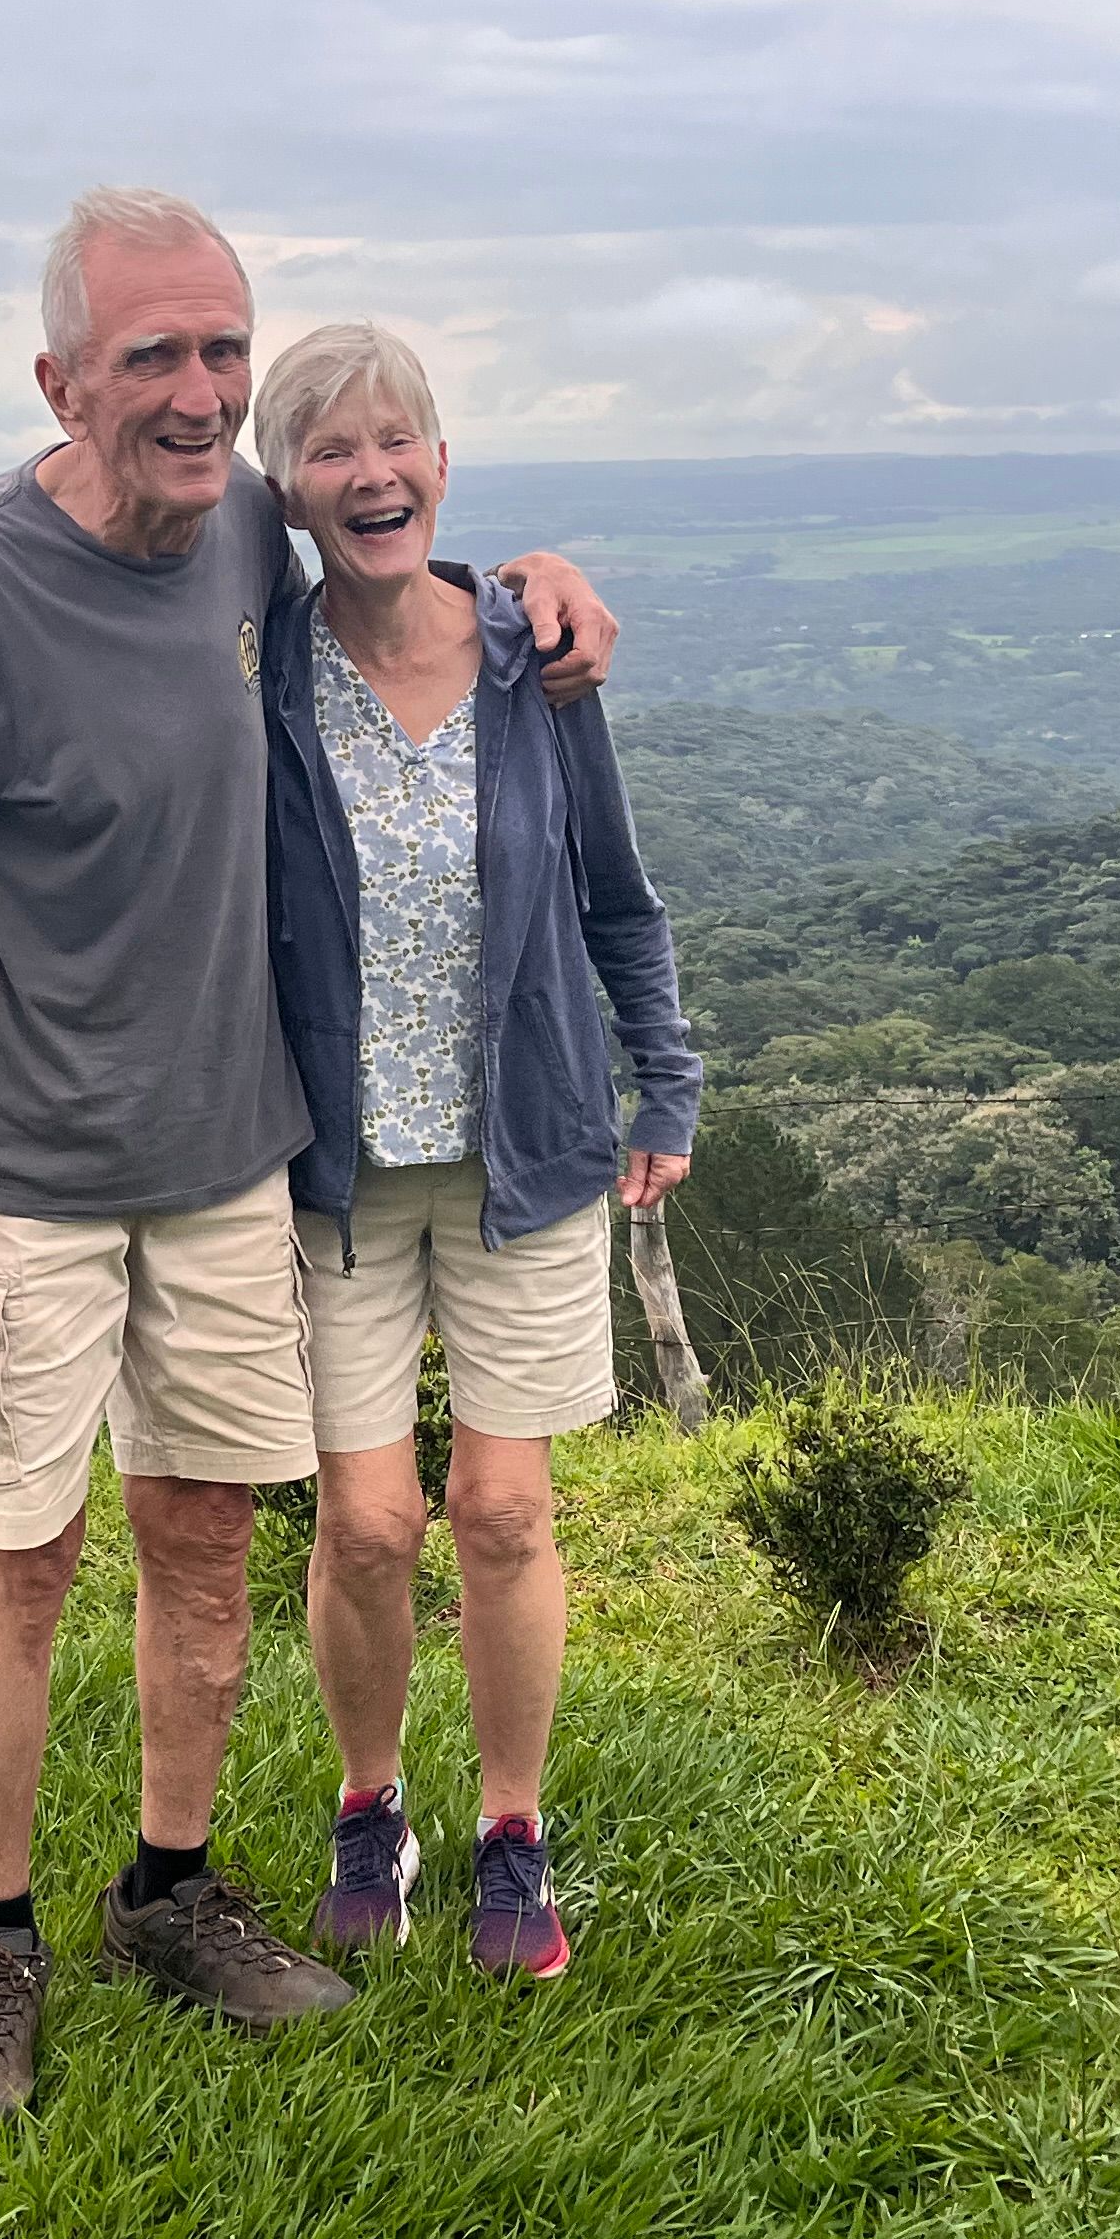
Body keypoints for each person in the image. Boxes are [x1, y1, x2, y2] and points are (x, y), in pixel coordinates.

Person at [0, 189, 617, 2145]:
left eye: (223, 353)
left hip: (232, 1161)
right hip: (12, 1163)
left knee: (200, 1543)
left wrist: (542, 584)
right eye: (152, 357)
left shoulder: (254, 535)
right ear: (59, 382)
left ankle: (171, 1889)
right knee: (22, 1563)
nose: (197, 393)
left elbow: (399, 559)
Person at [254, 323, 698, 1982]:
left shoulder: (536, 662)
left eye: (397, 442)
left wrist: (667, 1086)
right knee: (367, 1524)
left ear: (442, 464)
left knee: (502, 1510)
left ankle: (514, 1826)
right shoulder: (260, 671)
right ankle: (371, 1804)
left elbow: (616, 896)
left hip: (527, 1148)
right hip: (335, 1168)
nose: (370, 475)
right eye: (329, 450)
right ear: (286, 489)